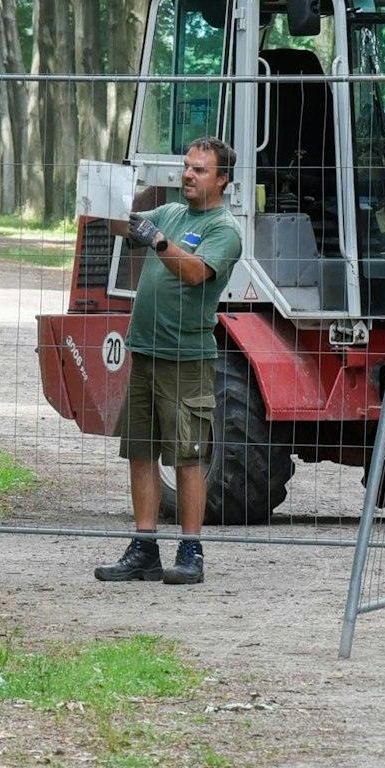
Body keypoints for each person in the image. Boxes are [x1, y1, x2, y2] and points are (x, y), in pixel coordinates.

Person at [95, 138, 243, 586]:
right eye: (186, 167)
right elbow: (122, 227)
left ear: (221, 179)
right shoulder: (172, 213)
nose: (188, 176)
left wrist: (158, 242)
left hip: (186, 359)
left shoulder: (224, 229)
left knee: (188, 455)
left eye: (199, 170)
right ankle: (144, 549)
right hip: (145, 353)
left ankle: (191, 552)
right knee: (140, 451)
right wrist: (109, 192)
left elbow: (197, 272)